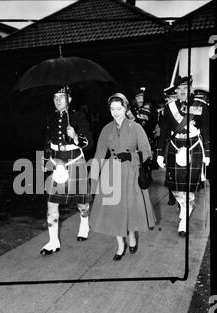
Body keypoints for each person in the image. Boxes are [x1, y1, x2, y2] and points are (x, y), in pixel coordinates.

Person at [89, 92, 156, 261]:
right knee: (113, 211)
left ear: (126, 108)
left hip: (131, 172)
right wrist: (93, 180)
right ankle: (120, 245)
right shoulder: (106, 129)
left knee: (130, 209)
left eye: (119, 108)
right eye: (112, 109)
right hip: (111, 173)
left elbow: (147, 152)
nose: (115, 112)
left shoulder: (136, 127)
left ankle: (132, 236)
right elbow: (98, 154)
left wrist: (131, 157)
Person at [40, 87, 93, 255]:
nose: (57, 100)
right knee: (51, 203)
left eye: (61, 97)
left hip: (76, 161)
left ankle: (84, 222)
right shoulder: (51, 117)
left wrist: (76, 136)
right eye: (55, 97)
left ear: (69, 99)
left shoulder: (78, 116)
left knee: (81, 203)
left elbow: (89, 142)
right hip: (57, 163)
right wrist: (45, 159)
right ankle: (53, 241)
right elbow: (47, 141)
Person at [156, 76, 210, 237]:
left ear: (191, 90)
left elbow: (206, 129)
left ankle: (184, 218)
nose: (181, 92)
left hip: (194, 147)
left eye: (185, 89)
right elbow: (164, 130)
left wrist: (208, 152)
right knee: (175, 187)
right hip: (175, 146)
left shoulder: (201, 106)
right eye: (178, 90)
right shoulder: (170, 107)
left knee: (189, 187)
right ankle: (183, 205)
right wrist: (159, 153)